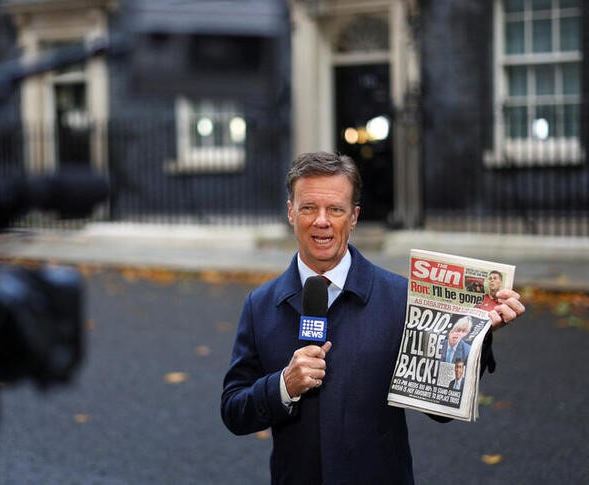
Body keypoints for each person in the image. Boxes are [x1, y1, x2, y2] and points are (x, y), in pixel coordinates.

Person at [220, 152, 525, 484]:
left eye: (335, 209)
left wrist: (476, 334)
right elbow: (235, 411)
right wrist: (283, 385)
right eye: (308, 207)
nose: (321, 221)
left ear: (353, 217)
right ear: (291, 212)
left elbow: (440, 412)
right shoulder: (260, 305)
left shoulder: (400, 298)